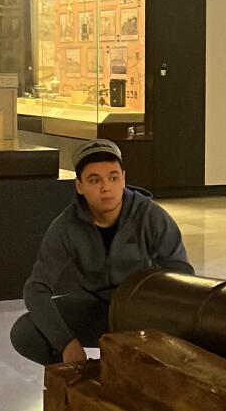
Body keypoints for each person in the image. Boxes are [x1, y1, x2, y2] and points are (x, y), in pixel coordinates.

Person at [10, 138, 193, 366]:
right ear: (79, 186)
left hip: (142, 309)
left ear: (124, 178)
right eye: (94, 180)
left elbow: (182, 277)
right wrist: (67, 343)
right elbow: (36, 289)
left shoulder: (151, 216)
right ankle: (90, 375)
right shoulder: (66, 226)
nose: (106, 187)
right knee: (25, 333)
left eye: (113, 178)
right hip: (96, 309)